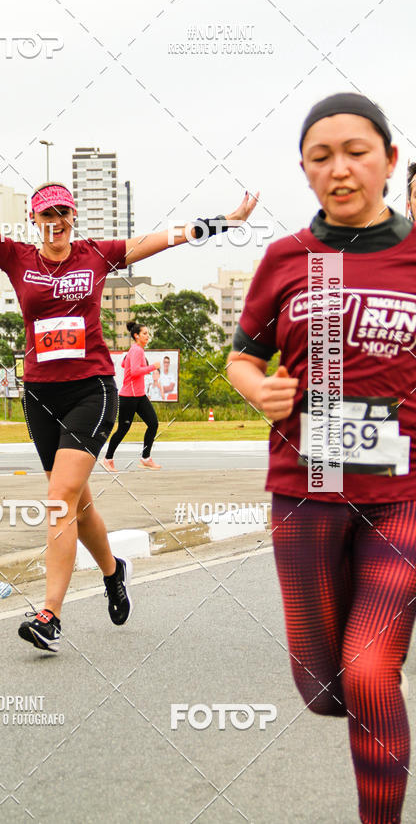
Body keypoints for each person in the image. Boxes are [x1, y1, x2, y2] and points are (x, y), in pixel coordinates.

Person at [0, 118, 257, 653]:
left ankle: (50, 613)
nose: (55, 222)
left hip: (91, 389)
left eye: (62, 213)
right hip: (40, 396)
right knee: (76, 501)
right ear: (35, 220)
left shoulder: (97, 254)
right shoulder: (15, 257)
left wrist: (225, 221)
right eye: (46, 215)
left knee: (57, 497)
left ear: (73, 218)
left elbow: (165, 238)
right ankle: (112, 569)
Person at [228, 92, 416, 824]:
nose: (340, 169)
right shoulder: (285, 259)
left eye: (357, 152)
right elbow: (243, 356)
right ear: (305, 171)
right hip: (304, 493)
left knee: (370, 672)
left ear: (389, 161)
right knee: (323, 686)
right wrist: (258, 391)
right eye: (321, 157)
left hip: (402, 493)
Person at [102, 321, 162, 472]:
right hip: (129, 397)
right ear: (136, 336)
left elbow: (124, 365)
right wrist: (153, 367)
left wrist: (129, 360)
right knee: (123, 429)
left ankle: (146, 458)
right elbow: (134, 371)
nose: (147, 336)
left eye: (148, 333)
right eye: (144, 333)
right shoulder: (137, 351)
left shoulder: (134, 350)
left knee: (153, 423)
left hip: (139, 395)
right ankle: (107, 459)